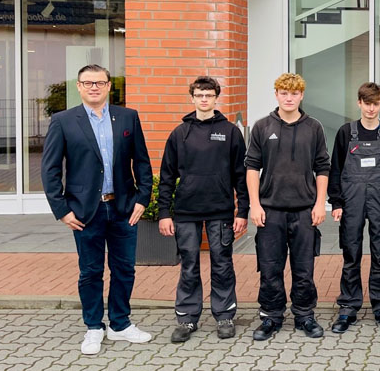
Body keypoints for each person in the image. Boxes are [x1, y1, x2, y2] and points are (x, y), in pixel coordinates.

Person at [41, 64, 153, 355]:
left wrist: (143, 198)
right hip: (84, 211)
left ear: (108, 86)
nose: (94, 87)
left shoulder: (128, 117)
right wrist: (62, 209)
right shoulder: (63, 121)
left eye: (99, 82)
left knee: (124, 269)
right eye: (88, 83)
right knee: (90, 271)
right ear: (79, 86)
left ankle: (120, 324)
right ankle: (93, 326)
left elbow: (142, 161)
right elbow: (50, 169)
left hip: (123, 208)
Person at [156, 76, 249, 343]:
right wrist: (164, 213)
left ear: (216, 98)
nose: (204, 99)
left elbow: (241, 176)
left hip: (221, 210)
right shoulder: (179, 133)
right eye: (199, 95)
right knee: (189, 265)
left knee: (222, 264)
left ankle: (225, 316)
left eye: (209, 95)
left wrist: (242, 211)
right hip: (186, 211)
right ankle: (187, 318)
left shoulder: (230, 132)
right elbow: (166, 177)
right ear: (193, 98)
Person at [245, 73, 330, 341]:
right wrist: (255, 205)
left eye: (294, 93)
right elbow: (251, 168)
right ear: (276, 95)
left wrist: (320, 204)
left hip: (304, 210)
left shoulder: (313, 127)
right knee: (270, 268)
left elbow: (322, 168)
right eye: (284, 93)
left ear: (301, 95)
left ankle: (304, 315)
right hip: (270, 211)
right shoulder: (262, 126)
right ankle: (271, 316)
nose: (289, 98)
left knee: (304, 269)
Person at [328, 82, 380, 334]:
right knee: (351, 253)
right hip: (351, 200)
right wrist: (336, 202)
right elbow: (335, 169)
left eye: (376, 104)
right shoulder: (346, 133)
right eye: (367, 103)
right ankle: (348, 306)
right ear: (359, 103)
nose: (371, 109)